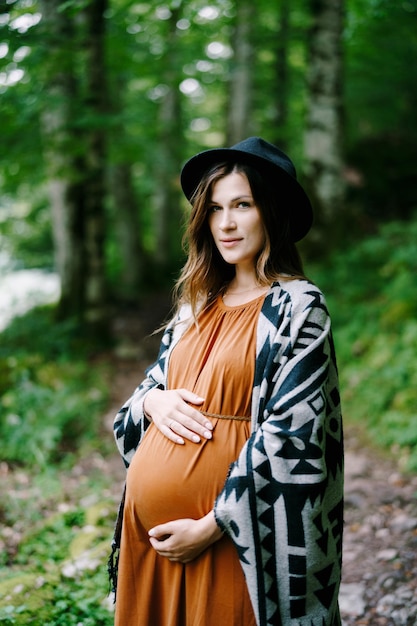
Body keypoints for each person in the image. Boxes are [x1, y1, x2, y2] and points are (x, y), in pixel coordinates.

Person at [112, 137, 344, 626]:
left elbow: (297, 436)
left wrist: (214, 524)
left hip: (240, 539)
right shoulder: (194, 307)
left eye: (242, 205)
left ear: (271, 212)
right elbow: (139, 401)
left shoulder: (298, 309)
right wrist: (153, 403)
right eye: (215, 208)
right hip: (152, 543)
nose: (226, 223)